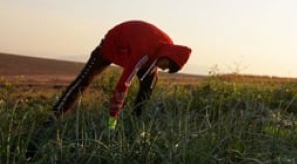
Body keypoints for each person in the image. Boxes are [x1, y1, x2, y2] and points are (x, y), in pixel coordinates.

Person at [50, 20, 192, 130]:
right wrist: (112, 121)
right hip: (111, 46)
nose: (164, 68)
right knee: (83, 81)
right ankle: (53, 116)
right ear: (167, 55)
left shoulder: (166, 49)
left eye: (167, 69)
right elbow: (123, 85)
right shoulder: (144, 53)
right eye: (166, 65)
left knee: (150, 83)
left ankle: (135, 124)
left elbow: (153, 66)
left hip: (138, 50)